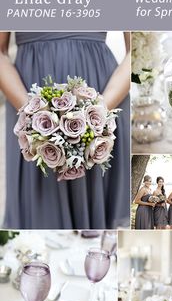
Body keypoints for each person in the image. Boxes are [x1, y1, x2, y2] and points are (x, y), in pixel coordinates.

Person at [0, 32, 130, 229]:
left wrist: (97, 111)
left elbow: (134, 51)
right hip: (27, 96)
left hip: (101, 93)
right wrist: (34, 113)